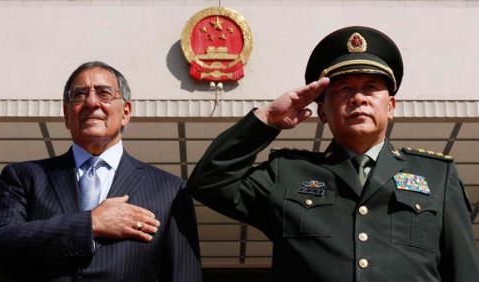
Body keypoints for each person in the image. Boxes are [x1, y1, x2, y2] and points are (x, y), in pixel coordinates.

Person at [187, 26, 479, 281]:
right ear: (322, 111)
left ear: (390, 106)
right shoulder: (287, 173)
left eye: (370, 87)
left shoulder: (437, 175)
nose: (358, 98)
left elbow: (464, 271)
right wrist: (267, 119)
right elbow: (209, 182)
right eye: (344, 89)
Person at [0, 61, 202, 281]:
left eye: (104, 93)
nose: (91, 102)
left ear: (125, 112)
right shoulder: (25, 177)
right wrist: (90, 224)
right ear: (67, 115)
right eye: (79, 94)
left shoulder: (170, 191)